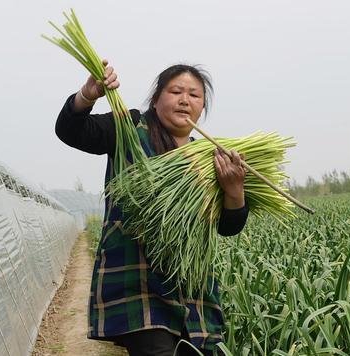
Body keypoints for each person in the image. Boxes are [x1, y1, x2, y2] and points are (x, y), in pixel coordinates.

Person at [55, 60, 249, 356]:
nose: (185, 99)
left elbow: (228, 226)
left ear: (203, 107)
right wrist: (87, 95)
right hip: (139, 283)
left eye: (194, 95)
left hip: (192, 290)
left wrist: (235, 191)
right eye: (176, 91)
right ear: (156, 99)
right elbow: (71, 131)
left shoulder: (210, 160)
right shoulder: (130, 129)